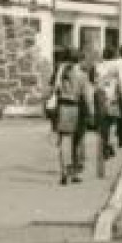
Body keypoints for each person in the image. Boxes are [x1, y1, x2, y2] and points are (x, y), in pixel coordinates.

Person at [50, 47, 93, 184]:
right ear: (78, 60)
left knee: (63, 141)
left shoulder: (60, 72)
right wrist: (91, 112)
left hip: (62, 107)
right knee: (77, 141)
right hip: (76, 108)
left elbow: (53, 89)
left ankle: (63, 172)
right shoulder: (81, 75)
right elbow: (87, 96)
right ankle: (74, 173)